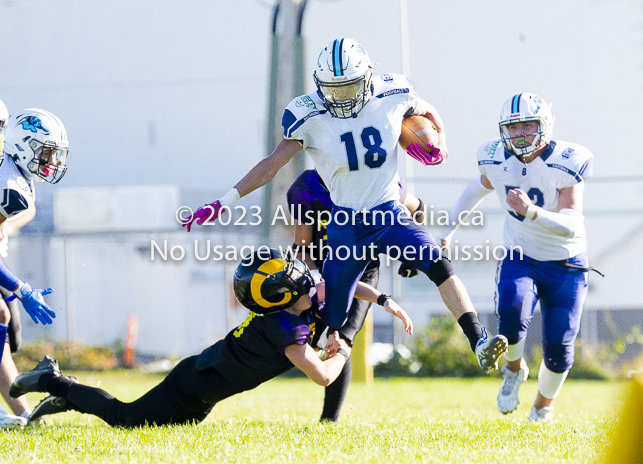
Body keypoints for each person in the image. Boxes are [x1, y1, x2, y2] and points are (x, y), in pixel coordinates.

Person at [185, 38, 507, 375]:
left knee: (439, 264)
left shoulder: (393, 92)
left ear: (367, 78)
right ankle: (276, 355)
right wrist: (225, 201)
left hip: (390, 213)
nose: (341, 97)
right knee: (332, 315)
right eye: (333, 89)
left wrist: (440, 140)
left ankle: (479, 341)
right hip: (347, 226)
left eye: (349, 87)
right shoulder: (307, 114)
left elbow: (426, 109)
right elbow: (271, 164)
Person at [13, 249, 413, 426]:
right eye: (294, 278)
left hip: (205, 395)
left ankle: (67, 398)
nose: (309, 280)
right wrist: (341, 346)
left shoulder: (293, 304)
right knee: (124, 418)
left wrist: (383, 298)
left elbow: (343, 284)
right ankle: (53, 379)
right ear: (280, 294)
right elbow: (324, 376)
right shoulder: (285, 330)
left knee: (160, 427)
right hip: (190, 386)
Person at [439, 93, 595, 421]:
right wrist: (450, 229)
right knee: (511, 309)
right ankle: (513, 371)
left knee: (559, 347)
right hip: (521, 254)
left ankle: (542, 407)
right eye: (514, 127)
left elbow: (571, 225)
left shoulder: (567, 160)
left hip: (566, 263)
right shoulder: (496, 157)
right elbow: (477, 187)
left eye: (529, 125)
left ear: (545, 126)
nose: (521, 133)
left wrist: (532, 211)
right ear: (503, 130)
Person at [286, 169, 423, 422]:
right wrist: (317, 282)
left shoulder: (376, 180)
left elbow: (418, 206)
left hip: (362, 273)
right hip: (321, 270)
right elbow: (303, 246)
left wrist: (416, 253)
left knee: (341, 338)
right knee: (300, 338)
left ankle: (329, 420)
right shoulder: (309, 186)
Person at [0, 108, 69, 427]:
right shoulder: (8, 183)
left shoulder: (16, 177)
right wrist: (20, 287)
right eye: (47, 153)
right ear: (24, 146)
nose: (52, 162)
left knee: (2, 316)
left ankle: (23, 412)